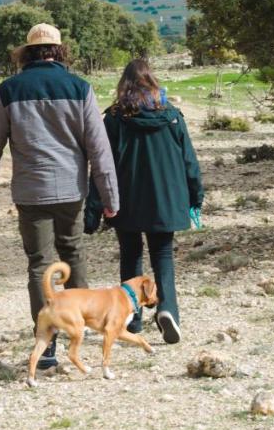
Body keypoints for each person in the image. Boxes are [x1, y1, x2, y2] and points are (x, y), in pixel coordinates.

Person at [0, 22, 119, 371]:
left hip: (30, 190)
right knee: (73, 253)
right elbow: (99, 148)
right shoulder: (79, 87)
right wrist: (110, 196)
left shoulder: (8, 90)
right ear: (59, 51)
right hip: (71, 189)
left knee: (40, 263)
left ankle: (48, 344)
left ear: (27, 53)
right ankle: (80, 330)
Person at [87, 58, 203, 344]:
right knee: (162, 255)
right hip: (166, 199)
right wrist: (195, 196)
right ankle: (167, 309)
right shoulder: (172, 115)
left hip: (126, 199)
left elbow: (103, 164)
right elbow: (190, 161)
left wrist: (94, 205)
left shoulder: (114, 118)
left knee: (131, 255)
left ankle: (132, 319)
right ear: (153, 82)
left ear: (123, 85)